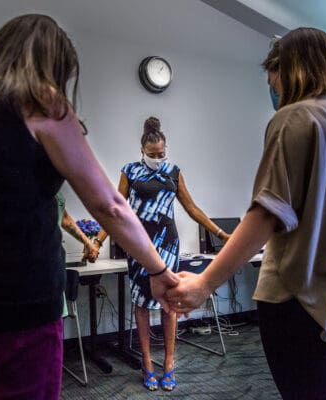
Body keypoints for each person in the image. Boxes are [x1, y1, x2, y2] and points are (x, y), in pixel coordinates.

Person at [0, 14, 177, 400]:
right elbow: (110, 205)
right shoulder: (40, 103)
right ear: (53, 65)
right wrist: (158, 269)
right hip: (13, 309)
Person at [166, 28, 326, 400]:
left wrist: (204, 283)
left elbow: (266, 214)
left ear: (290, 69)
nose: (270, 83)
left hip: (299, 304)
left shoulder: (294, 118)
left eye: (272, 72)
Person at [92, 116, 230, 392]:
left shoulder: (173, 172)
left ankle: (169, 363)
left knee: (170, 302)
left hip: (167, 243)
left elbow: (192, 208)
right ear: (142, 151)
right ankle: (147, 363)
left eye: (162, 154)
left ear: (166, 150)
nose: (158, 158)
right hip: (139, 245)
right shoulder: (130, 171)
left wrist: (220, 233)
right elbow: (116, 211)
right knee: (142, 303)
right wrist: (97, 240)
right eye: (153, 155)